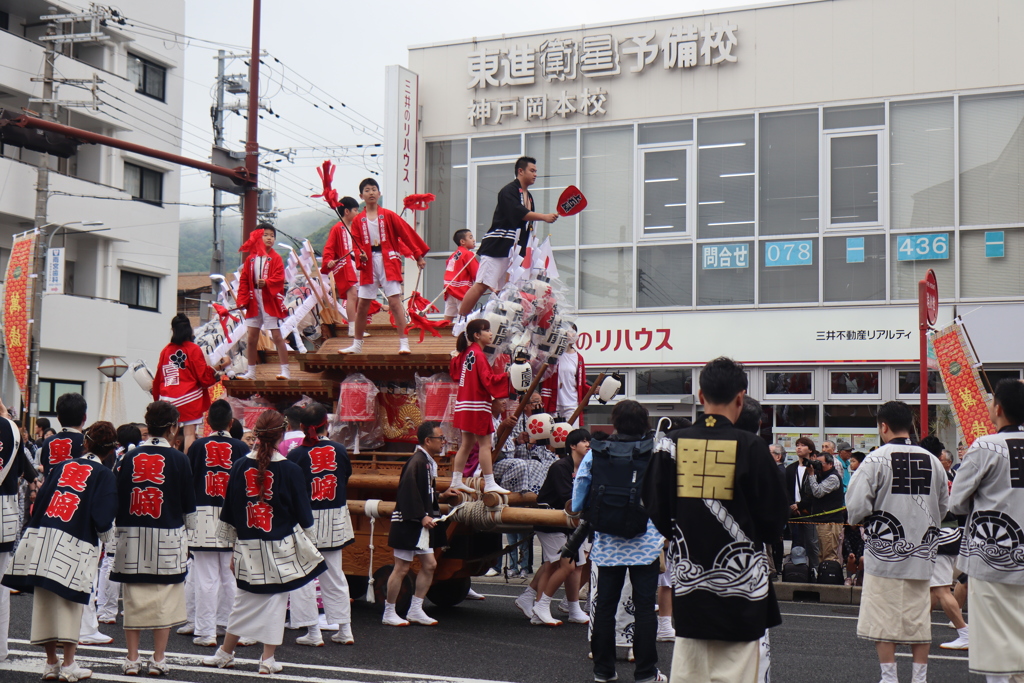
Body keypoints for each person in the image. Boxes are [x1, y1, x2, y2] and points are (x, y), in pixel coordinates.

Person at [646, 357, 788, 683]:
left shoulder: (671, 444)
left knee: (690, 668)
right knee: (738, 669)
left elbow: (654, 504)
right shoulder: (753, 447)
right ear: (741, 397)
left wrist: (676, 533)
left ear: (700, 396)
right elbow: (773, 519)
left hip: (689, 579)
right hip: (742, 584)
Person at [202, 410, 326, 675]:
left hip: (248, 545)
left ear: (256, 434)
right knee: (275, 602)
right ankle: (266, 659)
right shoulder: (290, 469)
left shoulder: (239, 466)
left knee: (243, 600)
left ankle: (225, 653)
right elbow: (303, 513)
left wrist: (233, 550)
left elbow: (231, 512)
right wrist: (312, 540)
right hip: (282, 545)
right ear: (281, 434)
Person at [3, 420, 117, 682]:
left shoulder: (62, 467)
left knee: (45, 602)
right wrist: (110, 544)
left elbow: (40, 501)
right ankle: (69, 664)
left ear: (85, 443)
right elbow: (103, 518)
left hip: (45, 535)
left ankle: (51, 663)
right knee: (70, 602)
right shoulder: (104, 474)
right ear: (110, 450)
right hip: (77, 540)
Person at [846, 401, 948, 683]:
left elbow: (856, 507)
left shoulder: (876, 459)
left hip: (884, 553)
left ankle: (889, 677)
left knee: (883, 616)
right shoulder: (933, 461)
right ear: (910, 425)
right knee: (918, 617)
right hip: (922, 552)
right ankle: (919, 677)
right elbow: (943, 505)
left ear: (883, 426)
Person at [573, 400, 666, 683]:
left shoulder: (598, 451)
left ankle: (603, 670)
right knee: (645, 608)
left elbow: (579, 494)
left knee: (604, 608)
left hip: (607, 541)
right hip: (646, 541)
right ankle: (646, 672)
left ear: (615, 421)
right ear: (645, 422)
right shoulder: (655, 451)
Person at [111, 401, 197, 676]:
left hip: (131, 537)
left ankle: (132, 658)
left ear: (148, 426)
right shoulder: (180, 459)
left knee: (133, 598)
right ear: (173, 428)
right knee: (164, 599)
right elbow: (189, 506)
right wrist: (190, 538)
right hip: (168, 537)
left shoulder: (128, 458)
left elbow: (117, 497)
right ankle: (159, 659)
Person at [950, 379, 1024, 682]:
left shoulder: (986, 445)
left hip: (992, 555)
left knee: (993, 635)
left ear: (998, 408)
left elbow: (957, 502)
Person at [455, 156, 558, 329]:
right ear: (520, 171)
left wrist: (526, 252)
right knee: (482, 284)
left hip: (514, 251)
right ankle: (459, 322)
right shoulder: (508, 191)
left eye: (536, 171)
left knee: (507, 291)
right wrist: (544, 217)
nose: (535, 174)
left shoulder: (529, 196)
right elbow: (518, 212)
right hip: (498, 246)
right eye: (532, 170)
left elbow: (526, 226)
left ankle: (499, 325)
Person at [286, 403, 355, 646]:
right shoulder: (339, 450)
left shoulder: (296, 454)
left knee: (305, 576)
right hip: (335, 518)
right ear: (327, 424)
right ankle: (344, 629)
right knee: (334, 575)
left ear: (302, 427)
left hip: (307, 521)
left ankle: (313, 632)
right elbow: (345, 477)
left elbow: (292, 492)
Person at [183, 399, 249, 647]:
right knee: (230, 576)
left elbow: (188, 483)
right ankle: (231, 627)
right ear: (231, 423)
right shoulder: (241, 447)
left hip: (201, 515)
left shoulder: (198, 446)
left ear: (207, 422)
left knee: (205, 577)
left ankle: (205, 632)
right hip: (231, 514)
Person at [340, 178, 429, 356]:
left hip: (388, 260)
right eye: (367, 190)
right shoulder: (358, 221)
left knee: (395, 303)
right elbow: (356, 244)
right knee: (363, 304)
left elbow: (406, 233)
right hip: (368, 262)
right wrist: (360, 255)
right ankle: (357, 345)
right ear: (361, 196)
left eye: (374, 189)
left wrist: (417, 255)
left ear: (379, 193)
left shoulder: (388, 215)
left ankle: (404, 344)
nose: (371, 192)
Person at [383, 421, 448, 627]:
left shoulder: (425, 461)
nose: (443, 442)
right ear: (428, 441)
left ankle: (415, 609)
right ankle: (389, 611)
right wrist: (421, 516)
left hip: (419, 523)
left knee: (430, 565)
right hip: (409, 522)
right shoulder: (417, 461)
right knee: (401, 567)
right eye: (440, 438)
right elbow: (407, 492)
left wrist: (441, 495)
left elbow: (423, 492)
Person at [525, 428, 591, 626]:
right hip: (551, 522)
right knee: (565, 565)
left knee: (576, 566)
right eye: (583, 441)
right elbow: (567, 498)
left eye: (589, 441)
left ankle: (573, 608)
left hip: (571, 523)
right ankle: (541, 605)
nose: (588, 444)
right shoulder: (560, 466)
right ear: (572, 445)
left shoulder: (586, 466)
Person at [448, 319, 511, 495]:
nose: (490, 333)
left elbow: (455, 373)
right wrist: (509, 375)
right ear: (477, 335)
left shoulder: (466, 353)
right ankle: (489, 482)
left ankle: (456, 481)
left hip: (464, 404)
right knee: (485, 444)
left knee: (466, 444)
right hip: (476, 404)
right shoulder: (478, 355)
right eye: (487, 330)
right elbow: (488, 380)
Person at [152, 314, 228, 451]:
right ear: (189, 330)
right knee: (189, 434)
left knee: (170, 435)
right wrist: (220, 369)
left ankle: (166, 461)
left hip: (167, 398)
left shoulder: (166, 350)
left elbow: (158, 377)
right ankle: (187, 465)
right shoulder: (193, 349)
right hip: (189, 398)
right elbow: (203, 377)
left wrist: (157, 399)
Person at [0, 402, 39, 664]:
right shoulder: (12, 430)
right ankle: (0, 649)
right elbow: (28, 472)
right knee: (1, 589)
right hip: (4, 515)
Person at [235, 224, 291, 381]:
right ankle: (251, 372)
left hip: (269, 300)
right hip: (254, 301)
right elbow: (245, 280)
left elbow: (280, 277)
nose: (269, 238)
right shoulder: (250, 259)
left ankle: (285, 370)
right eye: (266, 235)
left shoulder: (276, 258)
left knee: (276, 336)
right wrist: (242, 300)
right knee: (251, 337)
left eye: (272, 235)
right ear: (258, 237)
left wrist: (267, 282)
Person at [320, 196, 362, 337]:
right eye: (355, 210)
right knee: (353, 295)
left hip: (358, 265)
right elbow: (329, 248)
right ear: (347, 211)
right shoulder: (337, 228)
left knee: (361, 296)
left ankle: (358, 326)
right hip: (345, 265)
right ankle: (352, 328)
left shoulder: (357, 228)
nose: (357, 213)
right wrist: (329, 261)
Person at [541, 324, 591, 422]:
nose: (569, 334)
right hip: (553, 401)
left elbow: (581, 383)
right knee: (555, 434)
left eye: (573, 332)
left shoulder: (579, 358)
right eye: (567, 331)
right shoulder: (552, 354)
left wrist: (593, 389)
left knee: (572, 433)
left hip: (571, 401)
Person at [804, 451, 846, 565]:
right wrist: (810, 474)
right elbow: (808, 491)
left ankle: (830, 578)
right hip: (820, 521)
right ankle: (822, 577)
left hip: (829, 522)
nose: (818, 465)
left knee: (828, 555)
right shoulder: (820, 475)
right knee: (820, 554)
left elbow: (818, 492)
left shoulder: (833, 477)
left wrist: (812, 475)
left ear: (830, 464)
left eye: (820, 463)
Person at [786, 436, 820, 570]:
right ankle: (796, 571)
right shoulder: (790, 468)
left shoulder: (815, 468)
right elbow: (786, 489)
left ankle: (815, 570)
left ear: (810, 449)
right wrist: (792, 506)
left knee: (812, 543)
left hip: (809, 511)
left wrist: (800, 505)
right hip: (793, 510)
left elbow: (814, 492)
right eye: (797, 445)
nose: (798, 448)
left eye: (802, 445)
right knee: (796, 541)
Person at [39, 393, 88, 476]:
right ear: (84, 417)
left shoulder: (47, 442)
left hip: (51, 488)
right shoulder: (88, 443)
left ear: (58, 418)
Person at [442, 228, 479, 322]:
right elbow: (477, 274)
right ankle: (462, 335)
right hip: (461, 289)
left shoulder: (453, 255)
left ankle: (442, 335)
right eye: (470, 237)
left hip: (449, 288)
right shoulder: (468, 254)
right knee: (465, 317)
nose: (473, 240)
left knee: (448, 318)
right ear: (462, 241)